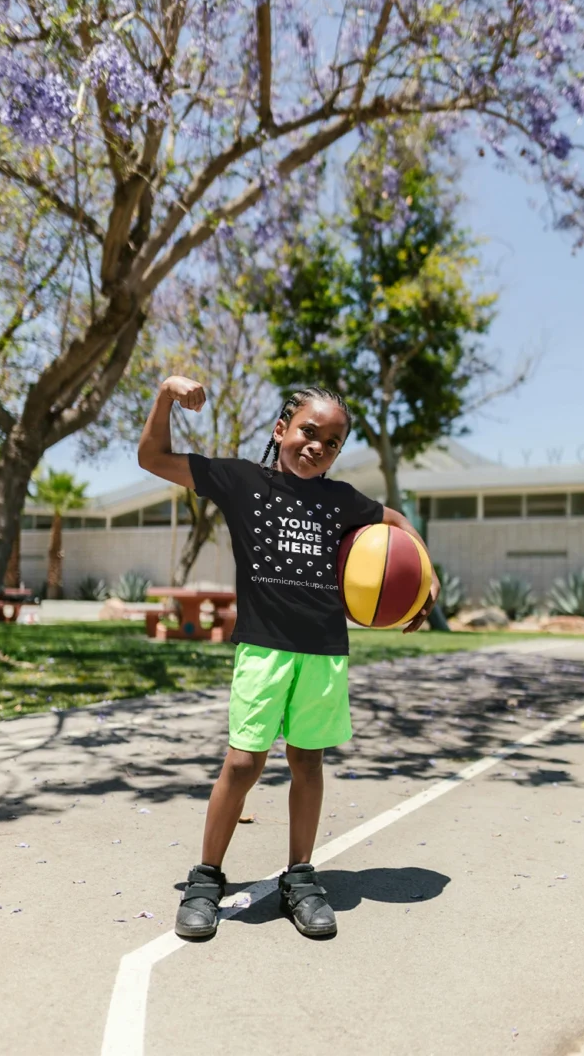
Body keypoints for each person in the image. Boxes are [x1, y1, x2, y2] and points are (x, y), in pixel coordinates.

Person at [138, 375, 440, 939]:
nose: (318, 447)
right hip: (263, 649)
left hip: (324, 652)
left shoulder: (344, 501)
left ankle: (299, 877)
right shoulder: (240, 480)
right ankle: (207, 878)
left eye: (332, 442)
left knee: (307, 762)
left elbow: (397, 524)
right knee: (243, 763)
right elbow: (152, 457)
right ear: (281, 429)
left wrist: (426, 576)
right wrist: (164, 396)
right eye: (308, 431)